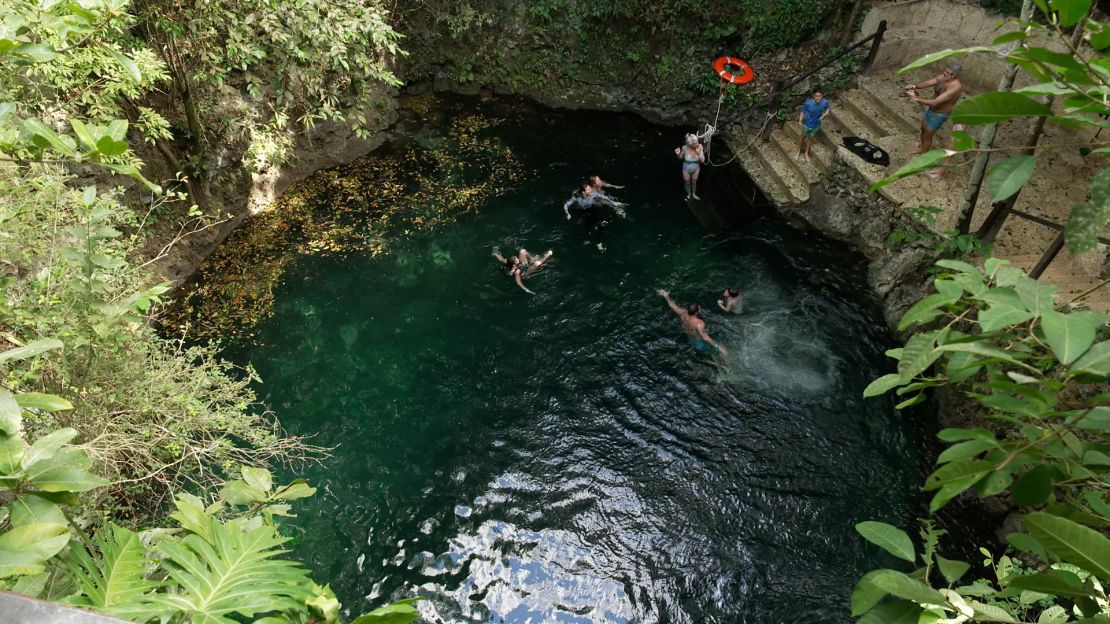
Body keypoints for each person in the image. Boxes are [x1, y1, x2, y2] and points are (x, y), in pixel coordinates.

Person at [905, 63, 965, 155]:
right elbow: (928, 83)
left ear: (954, 75)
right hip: (929, 108)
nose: (944, 73)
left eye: (947, 72)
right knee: (923, 129)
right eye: (945, 71)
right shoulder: (944, 77)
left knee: (928, 134)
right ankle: (922, 148)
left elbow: (936, 102)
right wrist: (914, 86)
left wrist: (916, 98)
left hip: (939, 114)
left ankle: (924, 153)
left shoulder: (955, 87)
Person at [657, 289, 727, 355]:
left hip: (691, 340)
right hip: (700, 344)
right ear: (696, 312)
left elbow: (672, 305)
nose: (700, 308)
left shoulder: (683, 313)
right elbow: (705, 338)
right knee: (724, 350)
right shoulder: (699, 323)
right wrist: (718, 347)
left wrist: (666, 296)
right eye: (699, 308)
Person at [797, 89, 831, 164]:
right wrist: (800, 120)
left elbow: (828, 108)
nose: (818, 98)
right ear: (813, 96)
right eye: (816, 96)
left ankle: (806, 153)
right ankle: (798, 150)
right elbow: (803, 111)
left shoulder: (825, 102)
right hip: (807, 124)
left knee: (810, 139)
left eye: (819, 96)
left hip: (816, 124)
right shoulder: (808, 103)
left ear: (822, 96)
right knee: (802, 137)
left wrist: (825, 114)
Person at [674, 134, 705, 199]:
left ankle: (693, 194)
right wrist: (678, 154)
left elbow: (702, 161)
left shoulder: (700, 146)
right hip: (686, 169)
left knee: (694, 182)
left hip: (696, 169)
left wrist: (699, 154)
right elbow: (680, 158)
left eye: (697, 141)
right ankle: (688, 193)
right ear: (690, 144)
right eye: (695, 143)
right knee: (687, 182)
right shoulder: (684, 148)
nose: (697, 143)